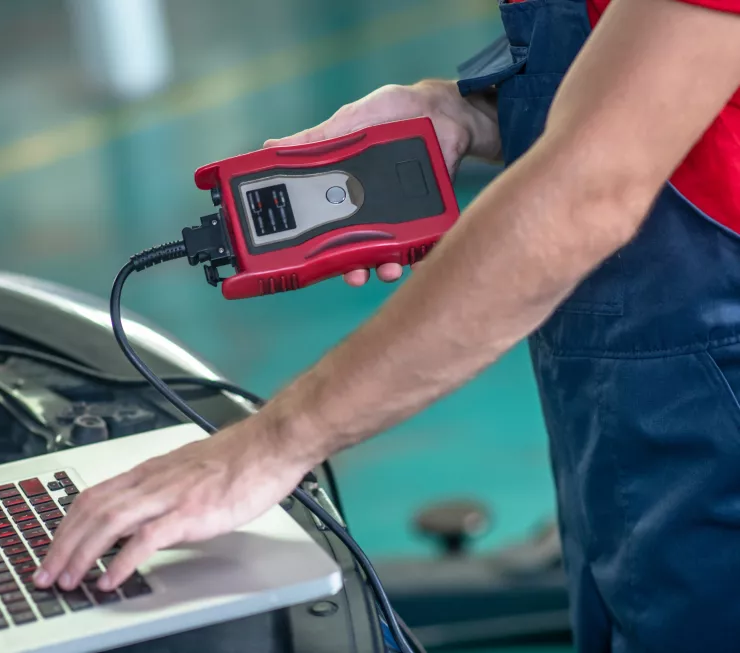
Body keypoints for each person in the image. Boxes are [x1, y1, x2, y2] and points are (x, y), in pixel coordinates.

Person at [36, 0, 740, 649]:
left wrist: (271, 447)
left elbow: (589, 192)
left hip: (711, 412)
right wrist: (464, 114)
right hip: (622, 397)